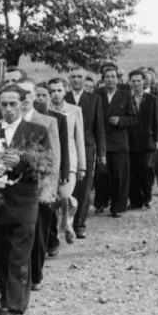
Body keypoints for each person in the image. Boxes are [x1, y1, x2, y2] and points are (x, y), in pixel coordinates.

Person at [0, 85, 51, 315]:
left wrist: (21, 161)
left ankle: (17, 305)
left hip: (24, 200)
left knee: (20, 254)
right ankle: (5, 297)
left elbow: (46, 163)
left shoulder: (37, 131)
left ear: (23, 104)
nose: (9, 109)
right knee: (0, 253)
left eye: (14, 104)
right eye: (4, 104)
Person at [18, 80, 67, 293]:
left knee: (38, 233)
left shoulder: (47, 122)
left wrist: (49, 190)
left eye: (29, 93)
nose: (25, 97)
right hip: (13, 189)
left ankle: (35, 274)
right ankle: (20, 274)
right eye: (21, 93)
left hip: (39, 188)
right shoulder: (5, 121)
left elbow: (53, 157)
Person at [65, 66, 106, 239]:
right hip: (67, 147)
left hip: (87, 147)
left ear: (84, 78)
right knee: (67, 186)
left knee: (84, 186)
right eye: (73, 76)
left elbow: (99, 127)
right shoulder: (63, 97)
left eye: (79, 77)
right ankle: (65, 222)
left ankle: (79, 223)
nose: (76, 80)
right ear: (69, 78)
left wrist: (101, 153)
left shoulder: (94, 99)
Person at [94, 63, 137, 218]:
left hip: (119, 142)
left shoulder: (125, 95)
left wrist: (120, 120)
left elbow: (133, 118)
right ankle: (100, 203)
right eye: (107, 77)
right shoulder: (97, 94)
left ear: (118, 79)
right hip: (102, 140)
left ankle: (118, 207)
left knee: (120, 175)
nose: (110, 80)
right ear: (103, 79)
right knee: (101, 174)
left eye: (113, 77)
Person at [47, 77, 85, 252]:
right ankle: (53, 237)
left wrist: (82, 165)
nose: (55, 94)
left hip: (69, 161)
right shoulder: (44, 111)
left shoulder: (75, 110)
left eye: (59, 90)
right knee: (50, 202)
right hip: (49, 162)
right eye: (52, 91)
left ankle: (68, 221)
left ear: (66, 90)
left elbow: (79, 139)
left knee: (66, 196)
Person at [127, 69, 158, 209]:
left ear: (144, 82)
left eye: (138, 81)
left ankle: (147, 197)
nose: (136, 84)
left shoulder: (152, 99)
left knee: (146, 168)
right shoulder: (125, 98)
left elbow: (156, 120)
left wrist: (157, 139)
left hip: (147, 141)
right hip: (129, 141)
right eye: (133, 81)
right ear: (129, 82)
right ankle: (135, 201)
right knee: (132, 170)